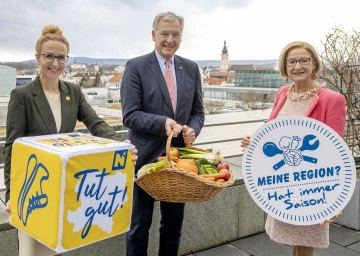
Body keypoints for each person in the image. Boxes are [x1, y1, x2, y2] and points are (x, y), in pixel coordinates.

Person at [4, 24, 137, 256]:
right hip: (33, 191)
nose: (55, 63)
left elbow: (95, 123)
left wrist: (121, 145)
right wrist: (10, 195)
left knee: (55, 248)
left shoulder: (72, 92)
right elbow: (12, 148)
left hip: (60, 189)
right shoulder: (22, 95)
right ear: (38, 58)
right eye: (49, 56)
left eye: (61, 58)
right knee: (31, 251)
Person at [241, 41, 346, 256]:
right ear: (285, 67)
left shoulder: (332, 99)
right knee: (296, 244)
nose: (297, 66)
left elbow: (337, 152)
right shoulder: (283, 94)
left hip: (311, 185)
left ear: (314, 65)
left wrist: (335, 200)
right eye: (292, 62)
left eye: (303, 60)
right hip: (284, 187)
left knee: (306, 242)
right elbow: (273, 130)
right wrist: (255, 142)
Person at [120, 12, 205, 256]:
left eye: (175, 34)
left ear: (181, 36)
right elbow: (130, 115)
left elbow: (198, 112)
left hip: (179, 162)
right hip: (143, 160)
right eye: (164, 34)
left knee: (173, 225)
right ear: (154, 35)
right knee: (138, 227)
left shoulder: (190, 68)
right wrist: (163, 122)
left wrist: (192, 130)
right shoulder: (135, 66)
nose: (170, 39)